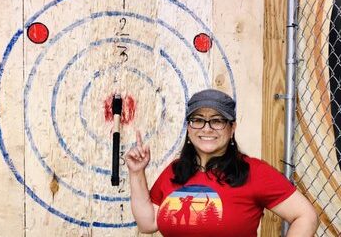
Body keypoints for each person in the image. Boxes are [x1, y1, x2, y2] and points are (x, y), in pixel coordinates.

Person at [126, 89, 318, 237]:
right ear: (189, 127)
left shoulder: (254, 171)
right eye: (198, 120)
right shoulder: (176, 171)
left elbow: (306, 216)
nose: (207, 128)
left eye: (217, 121)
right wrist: (136, 173)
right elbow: (148, 223)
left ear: (232, 128)